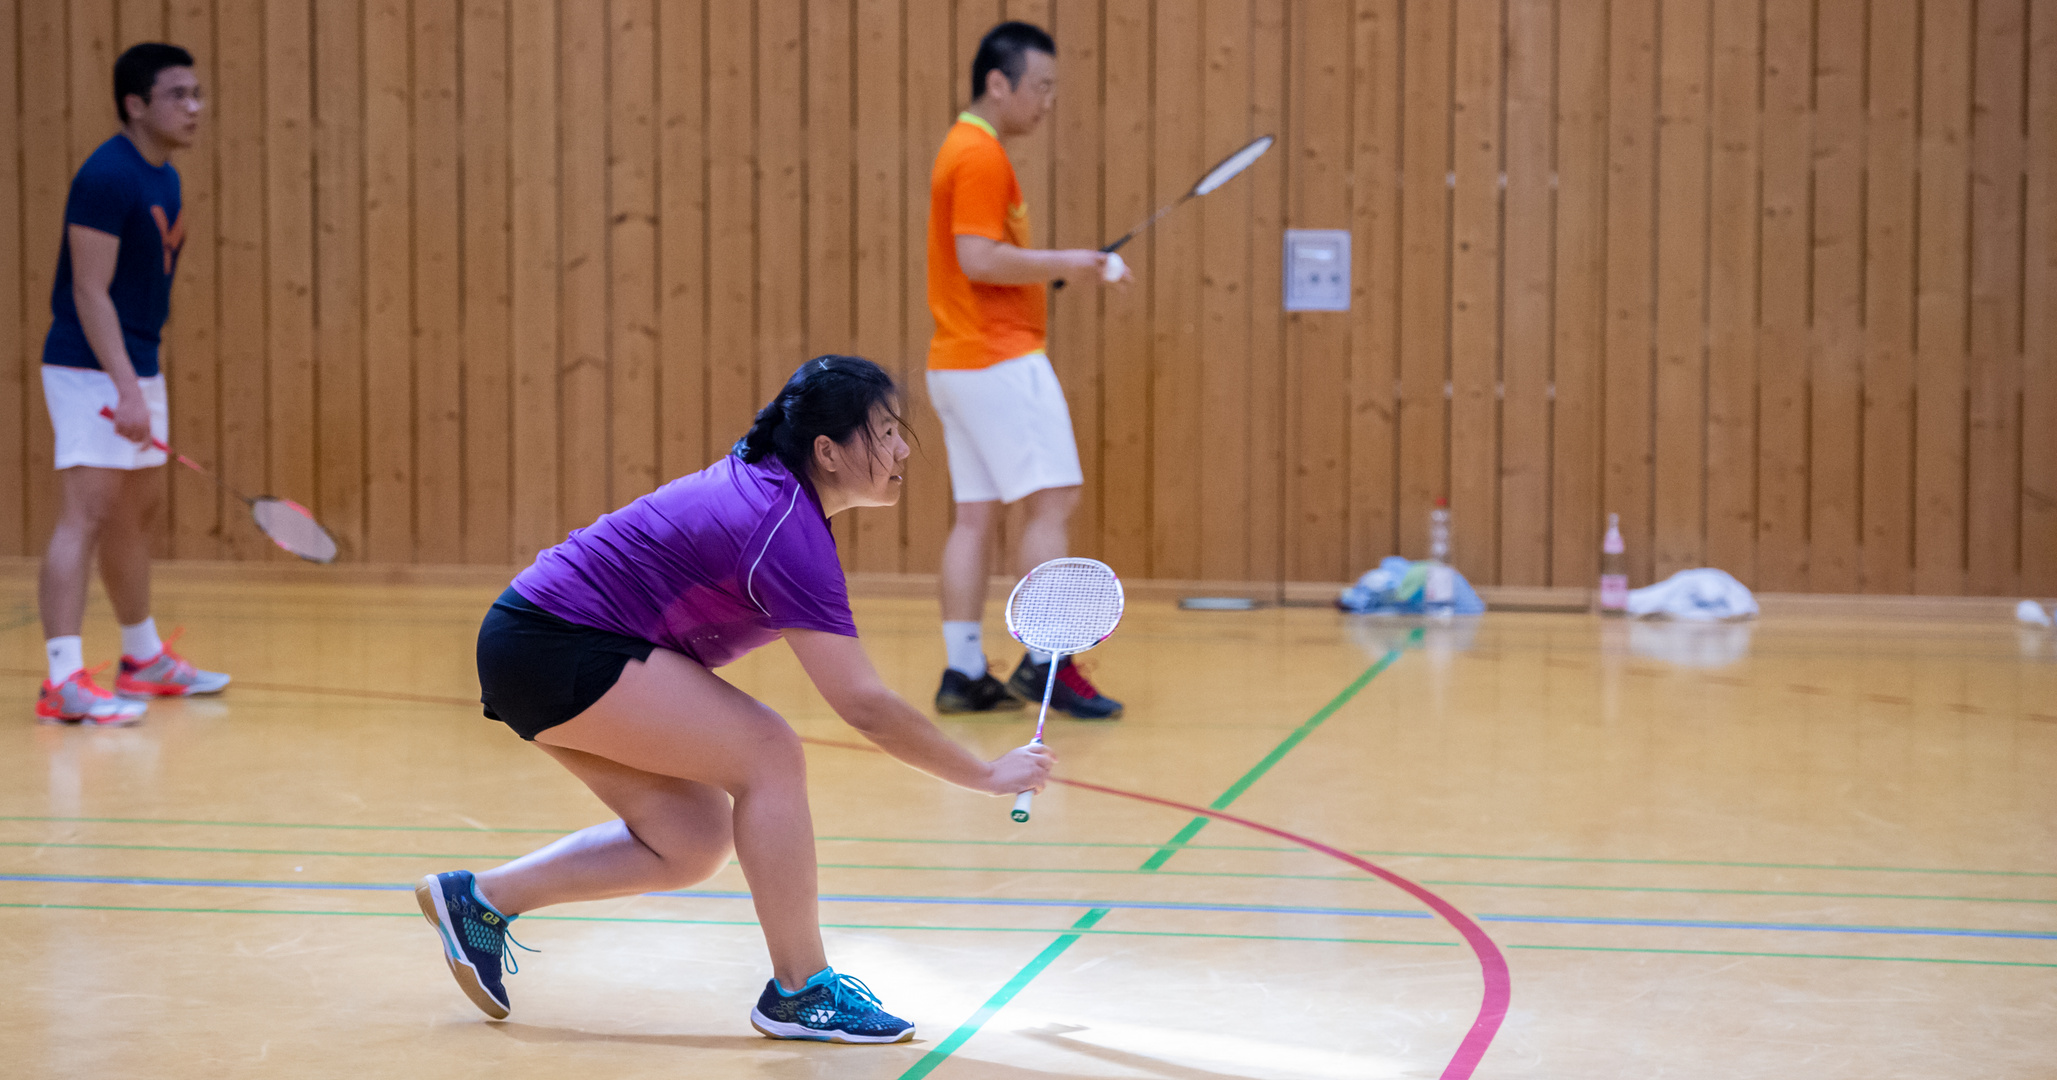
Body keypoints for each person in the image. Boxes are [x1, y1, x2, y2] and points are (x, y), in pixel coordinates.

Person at [419, 356, 1054, 1042]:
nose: (902, 450)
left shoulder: (779, 501)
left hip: (533, 647)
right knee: (768, 752)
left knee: (689, 842)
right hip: (552, 643)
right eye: (886, 432)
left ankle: (481, 902)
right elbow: (862, 703)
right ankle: (801, 989)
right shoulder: (781, 526)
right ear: (827, 451)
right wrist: (985, 775)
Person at [926, 21, 1129, 720]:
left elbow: (978, 262)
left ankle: (961, 672)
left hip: (956, 361)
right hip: (998, 356)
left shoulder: (962, 149)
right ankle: (1045, 663)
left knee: (975, 516)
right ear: (997, 83)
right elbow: (978, 259)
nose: (1046, 102)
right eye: (1040, 87)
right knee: (1052, 500)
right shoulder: (978, 155)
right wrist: (1069, 263)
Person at [36, 43, 228, 727]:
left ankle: (142, 658)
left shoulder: (164, 178)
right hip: (88, 366)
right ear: (135, 105)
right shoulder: (106, 177)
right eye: (179, 94)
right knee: (85, 513)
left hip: (135, 364)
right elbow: (88, 292)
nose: (195, 107)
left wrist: (140, 379)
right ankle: (62, 678)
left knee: (131, 514)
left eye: (197, 92)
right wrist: (124, 386)